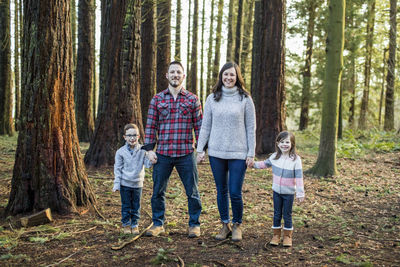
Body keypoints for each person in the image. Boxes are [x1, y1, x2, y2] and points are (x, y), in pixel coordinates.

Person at [196, 62, 256, 242]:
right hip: (216, 153)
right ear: (221, 76)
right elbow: (205, 126)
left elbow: (251, 127)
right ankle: (225, 224)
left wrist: (251, 153)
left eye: (232, 75)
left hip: (238, 153)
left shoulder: (245, 99)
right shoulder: (212, 98)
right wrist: (200, 149)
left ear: (237, 77)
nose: (228, 78)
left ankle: (237, 224)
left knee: (235, 191)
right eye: (225, 75)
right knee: (221, 190)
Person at [143, 61, 203, 238]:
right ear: (167, 76)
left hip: (186, 153)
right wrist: (149, 149)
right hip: (162, 153)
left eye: (178, 72)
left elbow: (199, 126)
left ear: (183, 76)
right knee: (158, 191)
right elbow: (150, 126)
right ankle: (158, 223)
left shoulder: (192, 99)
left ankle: (194, 224)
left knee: (192, 192)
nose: (175, 75)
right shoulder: (157, 99)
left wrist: (201, 150)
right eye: (172, 72)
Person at [251, 131, 305, 247]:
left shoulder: (296, 159)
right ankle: (276, 235)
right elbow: (264, 164)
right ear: (277, 143)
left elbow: (299, 177)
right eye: (282, 142)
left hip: (288, 193)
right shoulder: (274, 157)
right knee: (276, 214)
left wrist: (300, 193)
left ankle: (287, 236)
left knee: (287, 214)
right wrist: (252, 164)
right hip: (276, 192)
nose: (284, 144)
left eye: (287, 142)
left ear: (292, 144)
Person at [113, 123, 154, 235]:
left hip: (137, 184)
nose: (132, 138)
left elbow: (147, 164)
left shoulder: (142, 150)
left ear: (139, 136)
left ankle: (135, 224)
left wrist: (152, 158)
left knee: (136, 205)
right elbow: (117, 169)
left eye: (135, 135)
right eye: (129, 135)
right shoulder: (120, 152)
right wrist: (116, 184)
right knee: (126, 205)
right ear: (124, 137)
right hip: (125, 184)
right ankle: (126, 224)